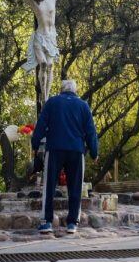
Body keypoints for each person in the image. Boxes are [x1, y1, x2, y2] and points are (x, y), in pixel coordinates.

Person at [0, 0, 92, 103]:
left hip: (51, 38)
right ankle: (44, 96)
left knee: (50, 66)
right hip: (39, 37)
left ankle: (46, 96)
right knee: (43, 64)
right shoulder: (32, 0)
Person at [31, 79, 98, 234]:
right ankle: (72, 223)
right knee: (75, 187)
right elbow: (90, 132)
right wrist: (94, 152)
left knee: (49, 186)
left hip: (54, 149)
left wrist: (35, 145)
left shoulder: (52, 103)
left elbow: (41, 125)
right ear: (75, 90)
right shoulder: (83, 105)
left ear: (61, 89)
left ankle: (47, 222)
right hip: (76, 150)